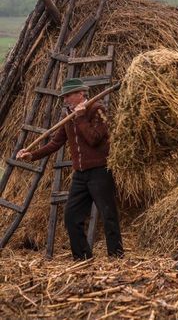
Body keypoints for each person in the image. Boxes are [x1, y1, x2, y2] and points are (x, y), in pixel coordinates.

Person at [16, 78, 124, 261]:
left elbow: (94, 139)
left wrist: (81, 117)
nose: (65, 99)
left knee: (108, 215)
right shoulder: (67, 114)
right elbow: (55, 143)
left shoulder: (97, 110)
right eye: (64, 96)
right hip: (80, 175)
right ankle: (82, 258)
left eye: (68, 95)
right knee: (71, 217)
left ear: (80, 94)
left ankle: (116, 257)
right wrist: (32, 155)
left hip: (99, 171)